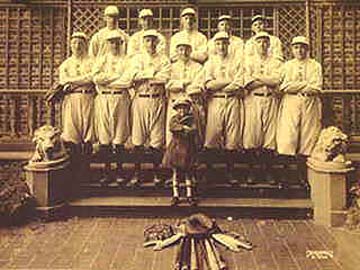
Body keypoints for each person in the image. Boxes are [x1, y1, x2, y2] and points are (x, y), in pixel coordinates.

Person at [125, 29, 171, 187]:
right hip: (141, 100)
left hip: (157, 100)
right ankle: (137, 173)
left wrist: (146, 76)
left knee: (156, 140)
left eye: (153, 40)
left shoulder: (163, 59)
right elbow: (132, 76)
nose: (150, 43)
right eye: (147, 40)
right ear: (143, 42)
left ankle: (157, 173)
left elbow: (165, 78)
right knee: (138, 138)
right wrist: (152, 73)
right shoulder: (136, 59)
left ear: (157, 42)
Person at [203, 31, 245, 185]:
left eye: (224, 43)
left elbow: (239, 83)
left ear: (229, 45)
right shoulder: (210, 63)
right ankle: (209, 171)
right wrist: (228, 81)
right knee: (212, 135)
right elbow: (209, 84)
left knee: (232, 136)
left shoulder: (236, 61)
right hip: (216, 101)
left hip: (232, 101)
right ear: (215, 45)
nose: (221, 46)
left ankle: (230, 171)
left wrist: (220, 83)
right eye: (218, 43)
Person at [243, 31, 283, 185]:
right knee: (252, 135)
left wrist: (258, 78)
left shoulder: (275, 62)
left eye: (265, 42)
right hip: (254, 99)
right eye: (259, 42)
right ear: (255, 44)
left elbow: (276, 80)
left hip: (270, 99)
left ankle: (268, 171)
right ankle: (252, 171)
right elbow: (248, 83)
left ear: (269, 44)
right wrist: (266, 81)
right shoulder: (248, 62)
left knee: (269, 136)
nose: (262, 45)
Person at [92, 30, 131, 186]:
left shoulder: (126, 60)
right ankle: (107, 172)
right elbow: (96, 78)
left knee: (119, 135)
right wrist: (115, 78)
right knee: (105, 135)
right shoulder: (101, 60)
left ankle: (120, 171)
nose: (114, 45)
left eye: (117, 42)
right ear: (106, 44)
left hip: (120, 97)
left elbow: (127, 81)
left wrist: (107, 80)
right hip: (104, 98)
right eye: (111, 42)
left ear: (121, 44)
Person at [277, 36, 323, 157]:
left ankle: (304, 167)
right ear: (292, 50)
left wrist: (295, 86)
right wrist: (305, 84)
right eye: (296, 47)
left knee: (308, 134)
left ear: (307, 49)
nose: (299, 50)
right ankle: (287, 165)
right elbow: (285, 87)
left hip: (309, 101)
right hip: (291, 102)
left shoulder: (315, 65)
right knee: (289, 134)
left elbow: (316, 87)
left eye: (302, 47)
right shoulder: (287, 65)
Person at [59, 32, 95, 156]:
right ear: (70, 45)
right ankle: (75, 167)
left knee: (88, 130)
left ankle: (87, 165)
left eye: (80, 43)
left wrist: (72, 80)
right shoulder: (66, 63)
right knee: (72, 131)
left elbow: (91, 78)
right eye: (74, 43)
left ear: (85, 45)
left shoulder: (91, 62)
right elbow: (63, 80)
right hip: (72, 98)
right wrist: (80, 81)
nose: (77, 45)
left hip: (88, 97)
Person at [165, 39, 203, 147]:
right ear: (176, 51)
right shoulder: (171, 67)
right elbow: (168, 85)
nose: (184, 52)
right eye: (181, 49)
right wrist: (184, 83)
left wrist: (178, 85)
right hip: (174, 105)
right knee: (173, 137)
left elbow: (199, 86)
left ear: (191, 50)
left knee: (193, 136)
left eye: (186, 49)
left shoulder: (198, 67)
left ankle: (192, 162)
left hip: (191, 105)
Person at [162, 97, 199, 206]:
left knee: (188, 172)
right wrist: (183, 127)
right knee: (176, 172)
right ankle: (176, 195)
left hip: (187, 148)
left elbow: (194, 129)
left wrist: (189, 129)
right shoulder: (174, 119)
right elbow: (172, 127)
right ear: (176, 110)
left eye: (184, 109)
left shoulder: (192, 119)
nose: (182, 111)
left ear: (188, 109)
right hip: (176, 148)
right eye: (179, 109)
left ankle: (189, 195)